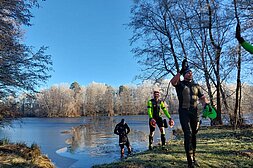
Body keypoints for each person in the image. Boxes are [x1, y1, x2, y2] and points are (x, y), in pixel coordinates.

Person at [170, 59, 210, 168]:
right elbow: (172, 82)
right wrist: (181, 70)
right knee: (187, 134)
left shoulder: (196, 86)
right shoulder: (180, 84)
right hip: (184, 112)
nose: (190, 73)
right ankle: (189, 162)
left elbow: (202, 98)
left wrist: (206, 104)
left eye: (191, 72)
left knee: (194, 135)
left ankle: (194, 158)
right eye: (188, 72)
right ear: (184, 74)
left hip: (195, 112)